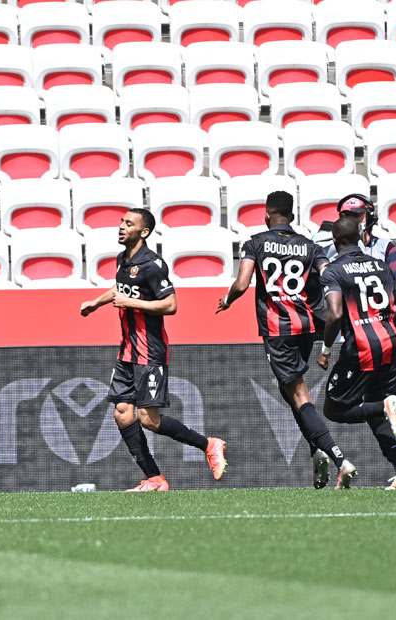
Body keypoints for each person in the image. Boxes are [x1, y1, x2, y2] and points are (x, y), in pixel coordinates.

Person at [216, 191, 357, 490]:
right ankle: (314, 448)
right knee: (289, 390)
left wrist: (227, 299)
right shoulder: (309, 246)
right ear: (292, 216)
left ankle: (338, 458)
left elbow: (242, 284)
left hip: (278, 329)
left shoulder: (255, 242)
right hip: (306, 327)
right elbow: (328, 274)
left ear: (267, 214)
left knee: (299, 395)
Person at [81, 208, 226, 491]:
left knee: (149, 419)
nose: (121, 227)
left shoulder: (153, 264)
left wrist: (130, 303)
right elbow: (122, 289)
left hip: (150, 350)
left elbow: (170, 305)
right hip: (127, 350)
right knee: (122, 412)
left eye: (128, 223)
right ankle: (154, 478)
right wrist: (96, 302)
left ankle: (209, 444)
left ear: (144, 232)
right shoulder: (124, 258)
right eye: (121, 222)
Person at [316, 217, 396, 490]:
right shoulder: (383, 267)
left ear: (335, 242)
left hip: (360, 349)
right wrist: (386, 329)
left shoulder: (334, 271)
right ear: (362, 237)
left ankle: (385, 406)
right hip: (391, 346)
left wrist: (325, 350)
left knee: (334, 408)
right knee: (376, 414)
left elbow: (336, 314)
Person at [311, 194, 396, 339]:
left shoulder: (385, 247)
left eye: (357, 215)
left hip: (380, 312)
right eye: (346, 216)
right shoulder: (328, 248)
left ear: (369, 217)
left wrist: (375, 292)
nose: (352, 220)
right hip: (348, 314)